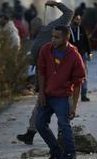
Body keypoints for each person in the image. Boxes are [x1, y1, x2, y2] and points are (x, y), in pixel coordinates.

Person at [17, 0, 73, 145]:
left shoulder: (49, 29)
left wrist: (56, 3)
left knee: (53, 108)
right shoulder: (38, 39)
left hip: (55, 79)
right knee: (51, 108)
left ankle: (52, 136)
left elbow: (69, 13)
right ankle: (34, 133)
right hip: (52, 80)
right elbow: (69, 13)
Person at [36, 25, 86, 159]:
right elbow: (41, 72)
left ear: (66, 38)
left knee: (64, 125)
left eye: (57, 37)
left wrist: (74, 107)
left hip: (62, 97)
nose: (53, 39)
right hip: (46, 94)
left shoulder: (75, 55)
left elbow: (78, 83)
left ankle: (70, 154)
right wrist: (41, 93)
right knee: (39, 124)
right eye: (52, 36)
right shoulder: (46, 49)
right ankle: (56, 151)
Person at [69, 14, 92, 102]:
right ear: (72, 20)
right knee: (71, 74)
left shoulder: (81, 29)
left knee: (83, 74)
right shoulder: (68, 29)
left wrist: (90, 53)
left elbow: (87, 41)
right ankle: (71, 94)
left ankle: (84, 94)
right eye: (77, 19)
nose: (79, 21)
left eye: (80, 19)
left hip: (82, 55)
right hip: (71, 56)